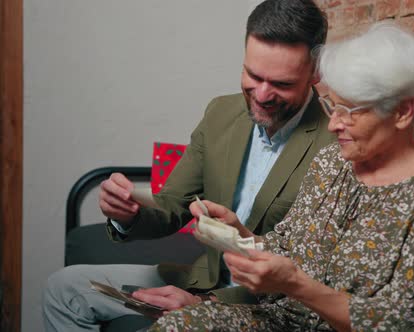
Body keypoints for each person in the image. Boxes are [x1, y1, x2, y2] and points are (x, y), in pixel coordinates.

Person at [148, 20, 414, 331]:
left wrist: (297, 285)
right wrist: (240, 236)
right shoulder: (332, 161)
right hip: (282, 319)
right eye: (334, 107)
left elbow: (411, 324)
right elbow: (287, 246)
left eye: (350, 112)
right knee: (178, 324)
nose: (333, 124)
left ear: (403, 112)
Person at [43, 1, 334, 331]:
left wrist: (205, 307)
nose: (262, 94)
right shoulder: (220, 114)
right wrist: (129, 214)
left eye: (281, 84)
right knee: (64, 288)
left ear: (316, 72)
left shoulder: (337, 145)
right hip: (198, 279)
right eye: (253, 75)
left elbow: (310, 276)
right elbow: (173, 205)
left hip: (262, 307)